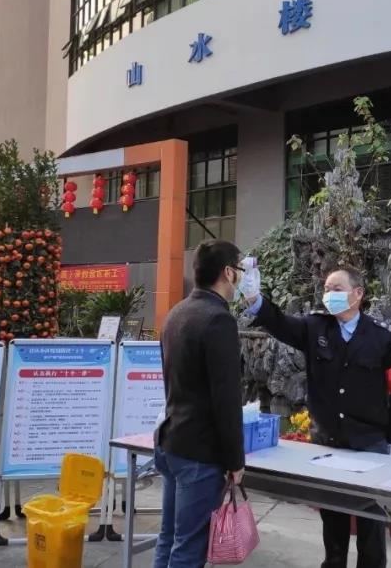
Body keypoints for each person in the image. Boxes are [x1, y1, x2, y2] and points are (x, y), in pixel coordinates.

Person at [245, 266, 391, 568]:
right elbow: (281, 324)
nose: (329, 295)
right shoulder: (315, 328)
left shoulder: (381, 336)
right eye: (326, 289)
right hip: (328, 442)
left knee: (370, 520)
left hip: (368, 442)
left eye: (337, 289)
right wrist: (254, 299)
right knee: (333, 516)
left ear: (357, 294)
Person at [153, 240, 246, 568]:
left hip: (172, 440)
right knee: (189, 548)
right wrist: (235, 461)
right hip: (199, 452)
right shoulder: (218, 320)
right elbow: (226, 398)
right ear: (228, 272)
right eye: (241, 269)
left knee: (169, 538)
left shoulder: (177, 313)